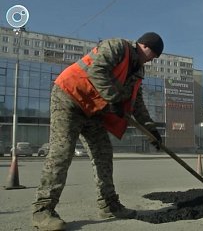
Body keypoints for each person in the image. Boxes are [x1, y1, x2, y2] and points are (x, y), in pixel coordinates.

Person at [32, 32, 164, 230]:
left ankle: (108, 205)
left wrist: (151, 130)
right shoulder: (117, 47)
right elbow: (97, 71)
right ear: (145, 45)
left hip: (92, 110)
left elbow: (137, 104)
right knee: (62, 152)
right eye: (154, 54)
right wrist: (114, 99)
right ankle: (42, 211)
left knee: (103, 152)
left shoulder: (138, 71)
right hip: (69, 98)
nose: (153, 59)